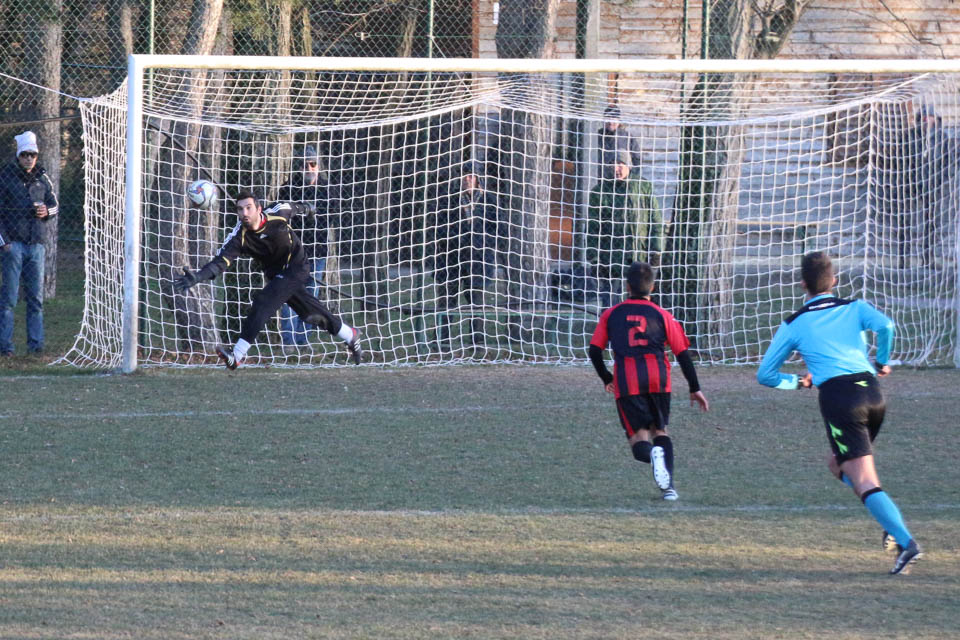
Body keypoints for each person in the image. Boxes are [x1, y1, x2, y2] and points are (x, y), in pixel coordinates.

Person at [757, 251, 921, 575]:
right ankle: (889, 522)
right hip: (873, 393)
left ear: (803, 284)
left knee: (864, 479)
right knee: (838, 465)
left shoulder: (794, 323)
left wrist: (798, 383)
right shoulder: (855, 307)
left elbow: (765, 375)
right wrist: (882, 360)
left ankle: (907, 543)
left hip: (841, 400)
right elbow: (886, 326)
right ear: (834, 280)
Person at [173, 190, 363, 369]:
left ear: (259, 208)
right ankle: (350, 334)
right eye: (240, 209)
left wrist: (308, 209)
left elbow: (296, 207)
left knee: (263, 301)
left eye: (248, 208)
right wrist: (198, 277)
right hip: (276, 274)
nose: (244, 213)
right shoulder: (239, 237)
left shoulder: (277, 212)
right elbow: (219, 263)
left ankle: (236, 355)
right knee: (309, 312)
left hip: (296, 266)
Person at [588, 261, 709, 501]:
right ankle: (669, 489)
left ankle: (653, 455)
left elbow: (594, 350)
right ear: (652, 287)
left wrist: (606, 377)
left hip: (628, 380)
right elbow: (683, 354)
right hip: (658, 378)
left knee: (638, 441)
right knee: (660, 431)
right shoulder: (663, 315)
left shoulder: (611, 314)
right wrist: (695, 387)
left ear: (627, 286)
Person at [0, 131, 59, 356]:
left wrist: (46, 212)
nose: (29, 158)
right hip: (13, 246)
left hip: (36, 246)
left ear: (37, 156)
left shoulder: (42, 178)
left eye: (32, 155)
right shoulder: (5, 177)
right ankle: (5, 347)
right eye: (24, 154)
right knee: (9, 299)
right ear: (18, 155)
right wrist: (4, 242)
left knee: (36, 299)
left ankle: (36, 346)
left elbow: (54, 205)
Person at [433, 162, 504, 347]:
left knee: (476, 302)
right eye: (464, 175)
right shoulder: (448, 199)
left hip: (478, 259)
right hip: (451, 257)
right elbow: (439, 227)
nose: (467, 179)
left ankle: (477, 342)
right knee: (447, 300)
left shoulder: (489, 200)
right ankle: (441, 341)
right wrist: (456, 240)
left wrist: (481, 242)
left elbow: (498, 228)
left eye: (471, 175)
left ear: (478, 179)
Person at [586, 151, 663, 307]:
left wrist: (656, 251)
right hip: (610, 262)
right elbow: (593, 229)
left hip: (639, 259)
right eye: (612, 164)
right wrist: (594, 259)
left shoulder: (643, 187)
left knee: (639, 306)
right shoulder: (599, 192)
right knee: (612, 305)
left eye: (620, 164)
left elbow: (655, 222)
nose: (616, 168)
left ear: (629, 166)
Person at [277, 145, 329, 348]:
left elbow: (331, 218)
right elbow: (281, 218)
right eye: (304, 164)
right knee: (289, 295)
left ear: (318, 166)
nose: (308, 168)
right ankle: (289, 342)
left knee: (310, 297)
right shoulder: (288, 189)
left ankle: (303, 340)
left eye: (312, 164)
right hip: (293, 253)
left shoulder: (327, 190)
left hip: (317, 252)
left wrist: (313, 215)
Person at [597, 104, 642, 181]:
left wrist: (631, 178)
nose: (610, 122)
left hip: (621, 182)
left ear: (618, 120)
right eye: (608, 118)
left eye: (613, 118)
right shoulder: (596, 136)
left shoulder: (627, 137)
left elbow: (637, 160)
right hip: (600, 180)